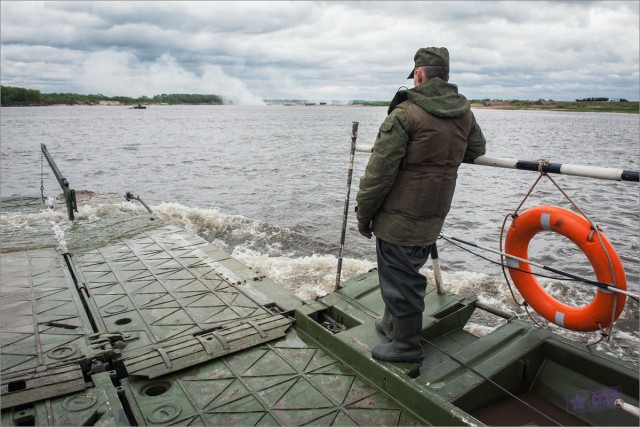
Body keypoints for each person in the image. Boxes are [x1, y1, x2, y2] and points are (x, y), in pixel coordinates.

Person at [356, 47, 486, 363]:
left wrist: (364, 214)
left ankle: (406, 346)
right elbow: (477, 149)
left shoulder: (404, 114)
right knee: (403, 270)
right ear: (447, 77)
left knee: (402, 281)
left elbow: (378, 173)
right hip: (434, 214)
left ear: (418, 75)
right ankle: (390, 324)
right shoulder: (464, 112)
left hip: (398, 217)